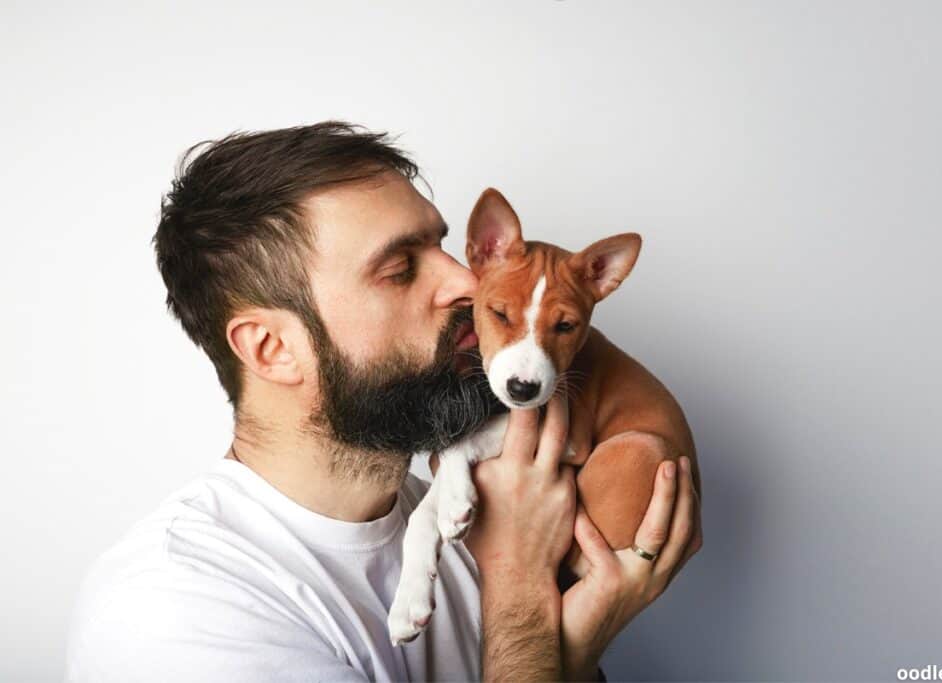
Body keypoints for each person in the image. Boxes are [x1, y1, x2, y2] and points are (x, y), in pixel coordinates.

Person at [64, 121, 703, 682]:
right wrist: (521, 596)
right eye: (400, 268)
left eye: (444, 248)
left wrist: (574, 640)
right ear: (271, 348)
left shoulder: (479, 508)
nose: (465, 283)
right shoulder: (176, 614)